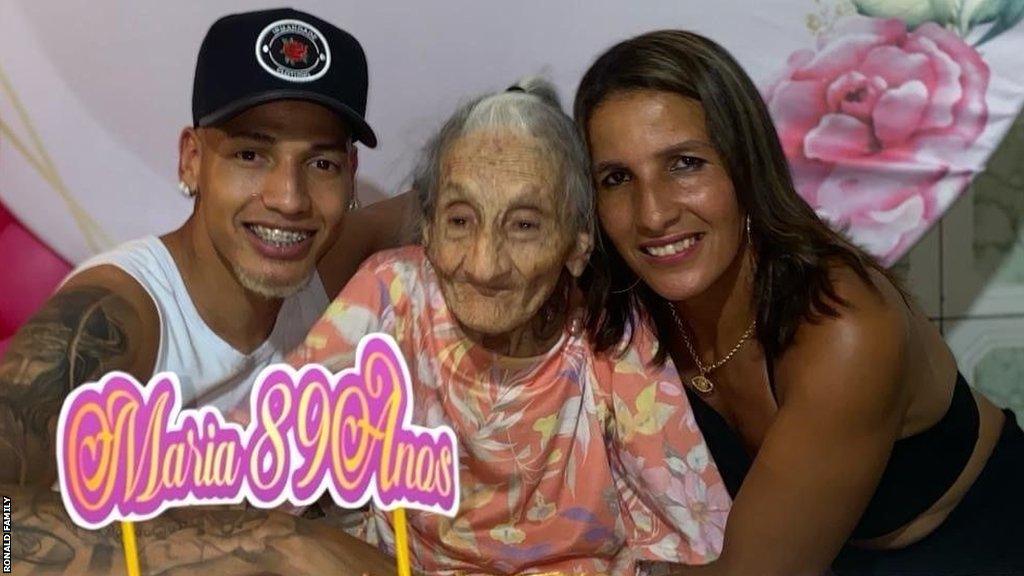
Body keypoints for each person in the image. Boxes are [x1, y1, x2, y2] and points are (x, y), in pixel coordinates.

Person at [573, 29, 1024, 575]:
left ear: (745, 165)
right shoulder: (626, 303)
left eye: (684, 163)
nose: (652, 214)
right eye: (617, 178)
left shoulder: (843, 326)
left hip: (966, 545)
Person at [0, 8, 404, 575]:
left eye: (321, 162)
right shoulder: (118, 315)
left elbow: (431, 204)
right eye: (250, 154)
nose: (289, 198)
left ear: (350, 174)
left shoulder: (324, 269)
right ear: (192, 159)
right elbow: (0, 530)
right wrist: (269, 544)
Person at [275, 77, 728, 575]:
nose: (485, 266)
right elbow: (261, 466)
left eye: (525, 225)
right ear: (427, 227)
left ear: (577, 244)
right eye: (461, 220)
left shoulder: (611, 337)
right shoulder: (392, 293)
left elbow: (693, 547)